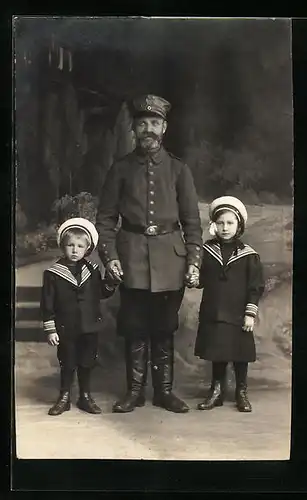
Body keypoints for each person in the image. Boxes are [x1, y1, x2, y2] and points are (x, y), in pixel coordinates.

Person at [96, 94, 203, 413]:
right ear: (134, 129)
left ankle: (164, 392)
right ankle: (134, 392)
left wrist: (194, 261)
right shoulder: (120, 169)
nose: (148, 130)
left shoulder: (179, 170)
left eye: (154, 123)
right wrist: (111, 256)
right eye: (142, 124)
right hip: (132, 260)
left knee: (164, 327)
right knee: (135, 326)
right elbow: (105, 220)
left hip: (171, 260)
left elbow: (192, 222)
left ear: (164, 128)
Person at [193, 196, 265, 412]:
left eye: (230, 223)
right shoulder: (207, 251)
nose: (225, 228)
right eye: (221, 223)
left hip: (237, 313)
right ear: (214, 225)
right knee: (218, 353)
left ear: (239, 225)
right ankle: (216, 391)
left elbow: (256, 286)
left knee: (240, 354)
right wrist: (195, 278)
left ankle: (241, 392)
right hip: (214, 311)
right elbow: (202, 279)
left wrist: (250, 313)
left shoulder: (248, 255)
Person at [40, 217, 117, 416]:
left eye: (80, 246)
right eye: (70, 245)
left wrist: (110, 282)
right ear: (62, 246)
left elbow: (101, 293)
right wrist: (51, 329)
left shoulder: (92, 270)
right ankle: (64, 397)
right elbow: (47, 304)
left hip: (89, 326)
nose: (75, 250)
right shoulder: (53, 274)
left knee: (87, 362)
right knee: (68, 362)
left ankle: (85, 396)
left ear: (87, 248)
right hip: (66, 328)